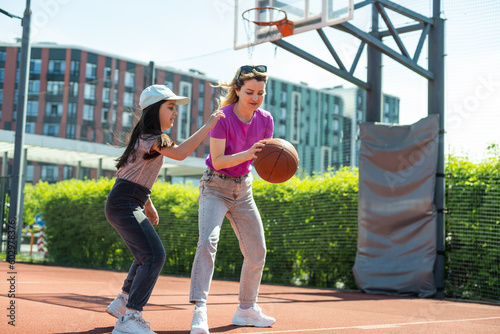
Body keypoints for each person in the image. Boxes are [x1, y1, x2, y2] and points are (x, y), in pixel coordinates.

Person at [105, 84, 225, 334]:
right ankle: (131, 318)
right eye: (170, 107)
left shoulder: (145, 139)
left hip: (127, 200)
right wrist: (208, 126)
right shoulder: (152, 139)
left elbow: (130, 173)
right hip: (124, 202)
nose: (175, 112)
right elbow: (180, 154)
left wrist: (148, 203)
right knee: (154, 256)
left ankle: (123, 303)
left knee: (145, 254)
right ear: (153, 110)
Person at [189, 65, 275, 334]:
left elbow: (266, 160)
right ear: (237, 90)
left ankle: (246, 309)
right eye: (249, 91)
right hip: (215, 186)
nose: (255, 97)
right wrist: (250, 153)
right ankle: (199, 311)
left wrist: (279, 164)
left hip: (244, 191)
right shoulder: (222, 117)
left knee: (257, 252)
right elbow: (218, 160)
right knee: (207, 243)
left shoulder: (266, 119)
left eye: (260, 92)